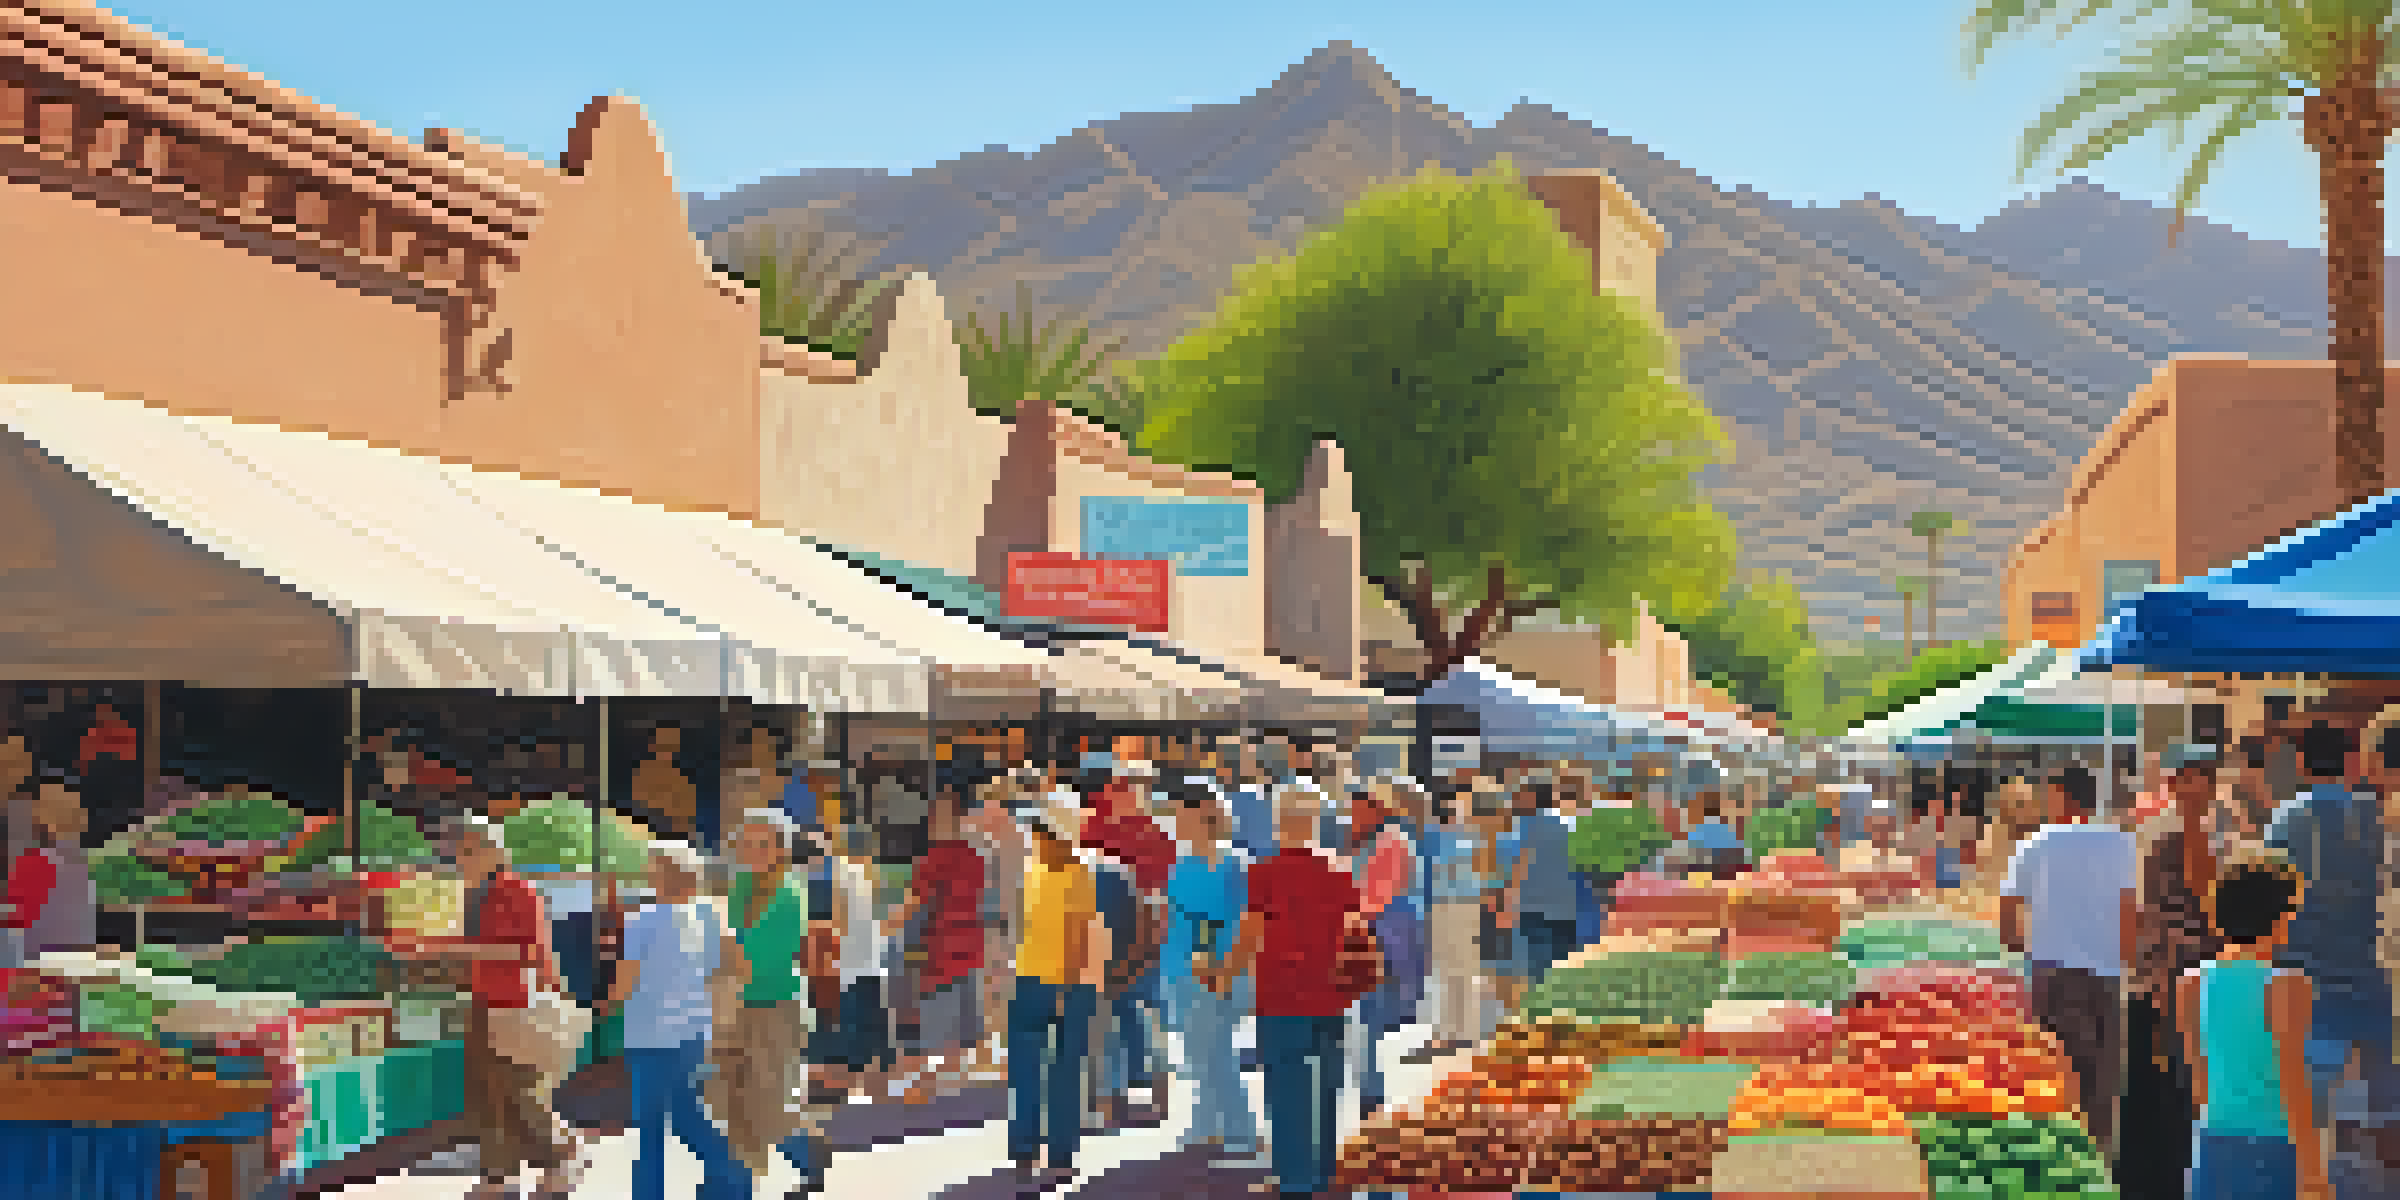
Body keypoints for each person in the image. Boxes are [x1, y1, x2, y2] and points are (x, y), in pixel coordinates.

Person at [392, 815, 581, 1200]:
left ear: (494, 851)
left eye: (468, 849)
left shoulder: (518, 891)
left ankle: (560, 1158)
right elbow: (474, 947)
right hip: (484, 1000)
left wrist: (452, 948)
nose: (460, 858)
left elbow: (524, 951)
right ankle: (497, 1177)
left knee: (518, 1088)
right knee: (484, 1093)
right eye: (457, 850)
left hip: (516, 1002)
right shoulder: (471, 893)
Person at [2267, 720, 2400, 1196]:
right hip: (2372, 972)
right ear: (2348, 760)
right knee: (2389, 1106)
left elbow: (2270, 895)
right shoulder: (2375, 815)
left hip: (2309, 977)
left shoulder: (2285, 819)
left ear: (2301, 763)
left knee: (2312, 1111)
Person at [1221, 785, 1361, 1199]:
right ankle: (1320, 1172)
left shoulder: (1264, 872)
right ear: (1316, 820)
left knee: (1285, 1089)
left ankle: (1293, 1178)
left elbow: (1250, 936)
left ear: (1281, 820)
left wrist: (1224, 971)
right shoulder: (1341, 870)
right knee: (1325, 1088)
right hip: (1330, 995)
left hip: (1281, 995)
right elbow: (1355, 935)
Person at [1999, 765, 2136, 1160]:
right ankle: (2096, 1168)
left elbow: (2010, 911)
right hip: (2106, 976)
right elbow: (2132, 910)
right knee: (2102, 1083)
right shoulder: (2121, 844)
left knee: (2053, 1077)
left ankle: (2056, 1162)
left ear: (2061, 795)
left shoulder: (2038, 842)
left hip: (2051, 974)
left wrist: (2023, 950)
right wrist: (2122, 960)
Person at [605, 841, 750, 1200]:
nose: (648, 874)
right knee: (687, 1115)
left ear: (666, 874)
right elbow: (738, 967)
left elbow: (624, 984)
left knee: (653, 1128)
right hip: (693, 1034)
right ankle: (734, 1179)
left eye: (653, 868)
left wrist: (602, 1006)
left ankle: (726, 1178)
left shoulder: (642, 920)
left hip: (651, 1037)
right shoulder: (707, 917)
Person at [2179, 853, 2328, 1200]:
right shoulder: (2288, 986)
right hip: (2272, 1150)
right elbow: (2294, 1083)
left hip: (2211, 1147)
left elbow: (2198, 1080)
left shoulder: (2190, 983)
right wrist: (2313, 1172)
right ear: (2277, 919)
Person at [2116, 745, 2225, 1200]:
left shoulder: (2147, 830)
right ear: (2177, 783)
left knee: (2148, 1090)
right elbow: (2211, 908)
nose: (2201, 785)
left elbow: (2133, 910)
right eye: (2194, 776)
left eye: (2207, 776)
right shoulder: (2191, 833)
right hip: (2182, 978)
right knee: (2177, 1091)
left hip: (2151, 976)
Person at [713, 810, 822, 1197]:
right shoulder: (740, 885)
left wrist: (719, 956)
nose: (751, 851)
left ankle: (809, 1152)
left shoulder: (791, 895)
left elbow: (757, 957)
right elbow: (728, 943)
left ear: (780, 849)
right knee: (727, 1098)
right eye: (746, 843)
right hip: (734, 1004)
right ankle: (741, 1182)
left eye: (762, 844)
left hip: (776, 1005)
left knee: (769, 1102)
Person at [1009, 797, 1102, 1181]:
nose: (1035, 836)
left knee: (1051, 1070)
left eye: (1041, 830)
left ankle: (1046, 1151)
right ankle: (1038, 1151)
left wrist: (1066, 983)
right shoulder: (1053, 871)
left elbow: (1078, 936)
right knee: (1044, 1071)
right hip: (1039, 981)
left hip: (1058, 983)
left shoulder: (1061, 872)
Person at [1164, 784, 1259, 1155]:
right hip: (1180, 970)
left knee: (1216, 1051)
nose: (1174, 820)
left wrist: (1227, 971)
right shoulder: (1181, 863)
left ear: (1202, 813)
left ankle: (1241, 1132)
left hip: (1216, 972)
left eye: (1179, 813)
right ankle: (1206, 1125)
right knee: (1198, 1052)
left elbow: (1243, 922)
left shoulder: (1235, 864)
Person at [884, 781, 986, 1102]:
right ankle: (951, 1081)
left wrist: (884, 926)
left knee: (933, 1020)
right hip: (969, 947)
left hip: (939, 949)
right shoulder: (973, 856)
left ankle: (924, 1086)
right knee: (958, 1020)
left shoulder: (933, 859)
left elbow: (915, 902)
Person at [1421, 780, 1486, 1060]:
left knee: (1457, 971)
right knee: (1452, 971)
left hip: (1457, 906)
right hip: (1450, 905)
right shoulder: (1461, 835)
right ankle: (1454, 1032)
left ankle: (1459, 1032)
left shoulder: (1466, 835)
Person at [1510, 775, 1578, 990]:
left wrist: (1509, 901)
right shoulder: (1566, 825)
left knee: (1537, 974)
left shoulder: (1525, 827)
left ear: (1531, 797)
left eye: (1521, 795)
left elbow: (1518, 865)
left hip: (1534, 910)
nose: (1517, 799)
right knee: (1561, 969)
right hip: (1565, 910)